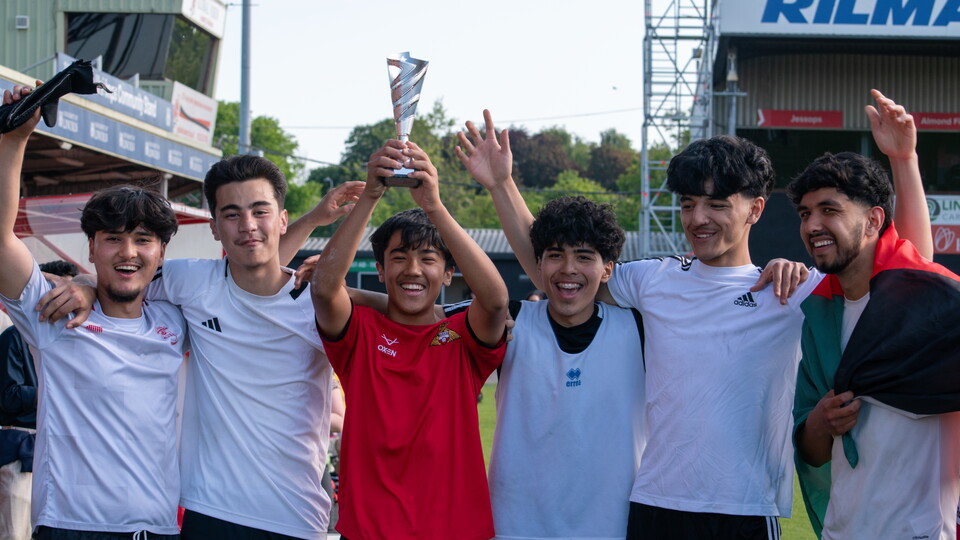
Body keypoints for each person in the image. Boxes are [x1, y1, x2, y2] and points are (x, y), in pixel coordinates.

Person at [461, 88, 931, 539]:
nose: (698, 218)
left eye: (716, 205)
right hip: (654, 506)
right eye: (688, 204)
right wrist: (502, 184)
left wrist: (904, 160)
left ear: (755, 210)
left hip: (746, 509)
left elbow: (908, 281)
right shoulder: (652, 280)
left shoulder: (791, 289)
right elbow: (560, 271)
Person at [42, 155, 364, 539]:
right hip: (206, 509)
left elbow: (261, 264)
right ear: (214, 227)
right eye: (231, 214)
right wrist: (86, 286)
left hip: (295, 515)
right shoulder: (191, 281)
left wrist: (318, 228)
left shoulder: (315, 301)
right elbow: (124, 276)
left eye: (260, 211)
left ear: (282, 218)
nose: (247, 225)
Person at [0, 85, 186, 539]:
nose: (128, 252)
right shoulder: (54, 316)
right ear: (91, 248)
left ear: (161, 253)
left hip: (158, 529)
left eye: (143, 240)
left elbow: (249, 279)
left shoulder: (177, 319)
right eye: (113, 239)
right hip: (72, 526)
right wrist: (14, 140)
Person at [310, 139, 508, 540]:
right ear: (381, 270)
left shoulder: (461, 336)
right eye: (399, 257)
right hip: (369, 532)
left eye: (428, 259)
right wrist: (370, 194)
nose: (413, 270)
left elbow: (496, 300)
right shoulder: (361, 330)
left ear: (449, 274)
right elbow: (325, 288)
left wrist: (435, 206)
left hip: (454, 533)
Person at [790, 151, 960, 539]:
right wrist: (820, 422)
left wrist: (904, 157)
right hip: (840, 530)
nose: (812, 225)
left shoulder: (939, 306)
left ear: (873, 220)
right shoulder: (816, 315)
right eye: (804, 213)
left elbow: (914, 266)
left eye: (829, 210)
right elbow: (810, 449)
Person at [0, 260, 77, 540]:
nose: (68, 299)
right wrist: (57, 390)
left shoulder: (79, 338)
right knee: (16, 532)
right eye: (59, 289)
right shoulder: (13, 337)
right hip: (21, 450)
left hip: (61, 454)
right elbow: (8, 396)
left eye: (74, 290)